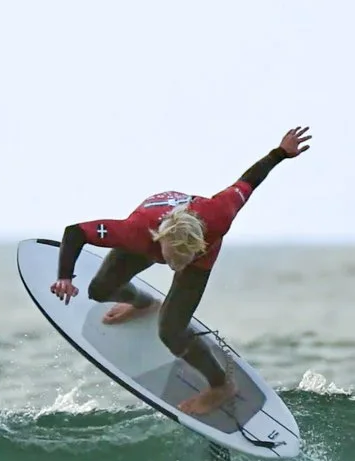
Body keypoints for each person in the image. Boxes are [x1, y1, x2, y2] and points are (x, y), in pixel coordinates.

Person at [49, 126, 315, 416]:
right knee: (99, 290)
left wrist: (280, 153)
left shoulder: (220, 213)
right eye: (174, 258)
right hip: (148, 238)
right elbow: (74, 232)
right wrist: (65, 276)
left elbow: (248, 181)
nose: (178, 266)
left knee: (171, 330)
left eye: (184, 258)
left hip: (202, 253)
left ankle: (221, 386)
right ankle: (144, 303)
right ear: (161, 241)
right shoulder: (134, 231)